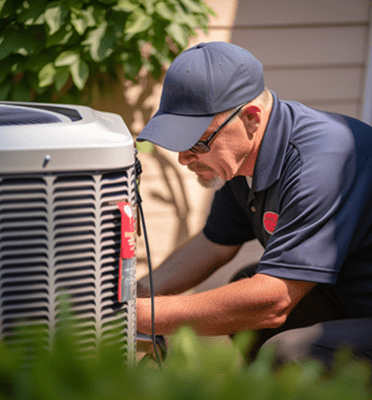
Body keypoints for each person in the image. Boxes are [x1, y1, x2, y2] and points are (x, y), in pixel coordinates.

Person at [135, 41, 372, 368]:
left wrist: (143, 317)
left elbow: (273, 301)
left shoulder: (324, 162)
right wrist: (134, 296)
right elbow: (214, 244)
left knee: (291, 351)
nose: (184, 158)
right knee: (245, 284)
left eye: (197, 142)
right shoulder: (238, 163)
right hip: (350, 299)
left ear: (250, 118)